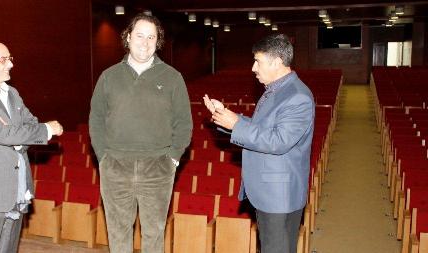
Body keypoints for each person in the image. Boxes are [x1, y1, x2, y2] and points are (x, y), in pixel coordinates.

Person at [89, 13, 192, 253]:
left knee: (154, 233)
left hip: (157, 167)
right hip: (115, 166)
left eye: (151, 37)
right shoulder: (109, 76)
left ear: (158, 42)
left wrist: (173, 158)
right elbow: (96, 119)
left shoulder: (172, 78)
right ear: (127, 37)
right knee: (117, 232)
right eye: (139, 36)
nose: (145, 42)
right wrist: (103, 157)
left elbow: (184, 123)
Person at [204, 33, 315, 253]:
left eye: (258, 61)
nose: (253, 68)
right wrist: (227, 117)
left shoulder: (297, 96)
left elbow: (278, 141)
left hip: (279, 196)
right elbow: (263, 128)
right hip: (269, 193)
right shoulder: (277, 90)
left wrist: (236, 125)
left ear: (276, 62)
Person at [0, 41, 63, 253]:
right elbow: (4, 134)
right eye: (3, 60)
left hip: (16, 189)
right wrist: (45, 130)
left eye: (10, 58)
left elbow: (29, 123)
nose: (10, 65)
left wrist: (16, 135)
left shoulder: (12, 93)